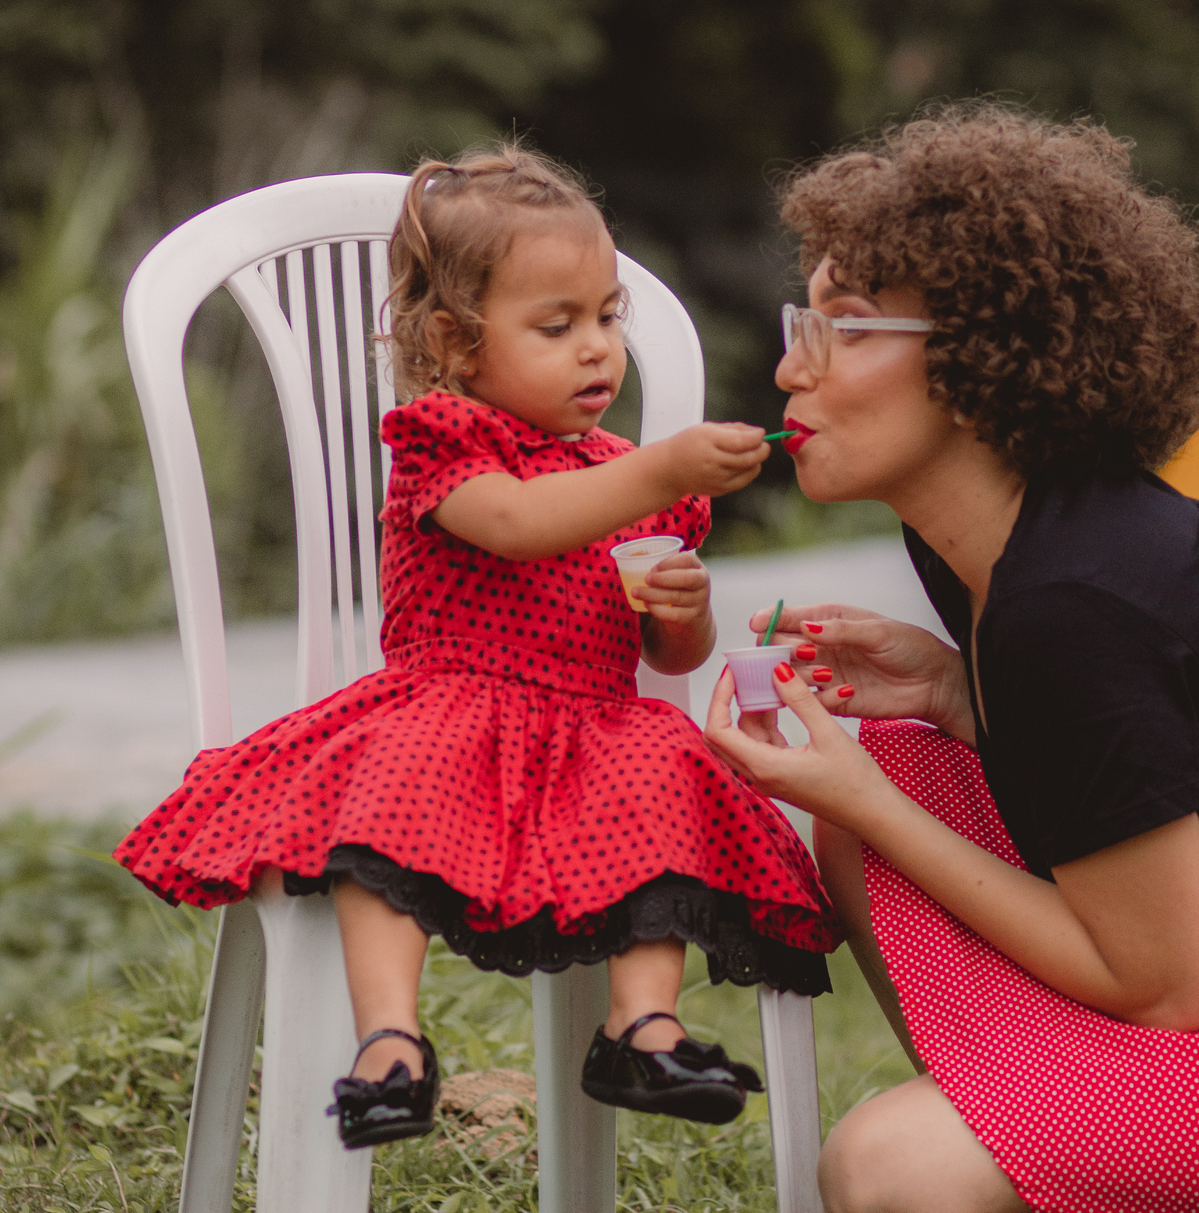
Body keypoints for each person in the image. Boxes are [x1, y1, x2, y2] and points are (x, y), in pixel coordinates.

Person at [116, 142, 838, 1151]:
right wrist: (660, 468)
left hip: (589, 735)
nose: (597, 349)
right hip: (448, 710)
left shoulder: (623, 470)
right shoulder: (442, 438)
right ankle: (390, 1041)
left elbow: (671, 660)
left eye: (607, 318)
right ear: (457, 343)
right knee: (385, 815)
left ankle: (644, 1026)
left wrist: (681, 606)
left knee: (669, 778)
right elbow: (515, 523)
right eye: (558, 326)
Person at [706, 104, 1199, 1213]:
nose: (792, 368)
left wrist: (871, 801)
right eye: (804, 319)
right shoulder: (982, 555)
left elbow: (1168, 988)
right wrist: (955, 698)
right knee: (893, 778)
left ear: (983, 361)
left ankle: (1018, 1142)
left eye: (845, 326)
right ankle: (1039, 1131)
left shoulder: (1069, 598)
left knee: (893, 1167)